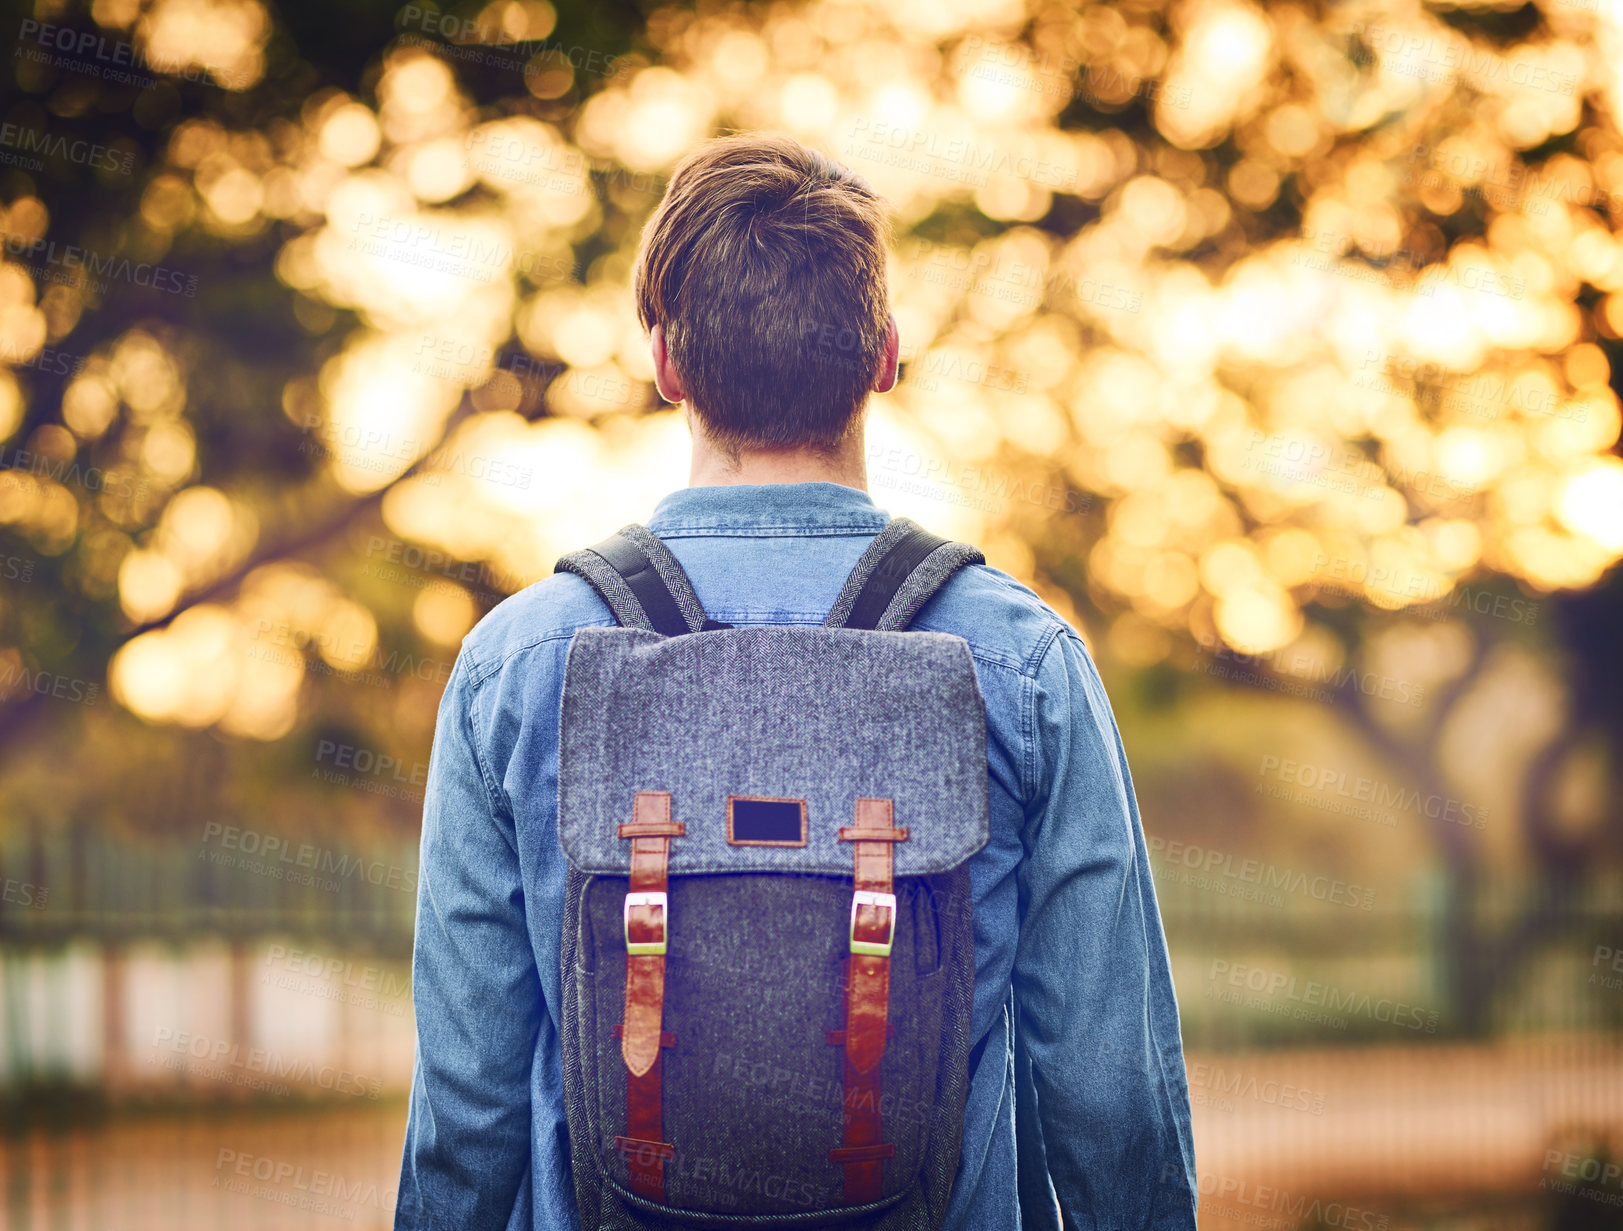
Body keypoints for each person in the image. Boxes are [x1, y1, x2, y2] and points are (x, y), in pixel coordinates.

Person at [394, 133, 1196, 1230]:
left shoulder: (515, 667)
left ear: (668, 363)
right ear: (884, 355)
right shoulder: (1023, 664)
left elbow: (467, 1109)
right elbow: (1112, 1105)